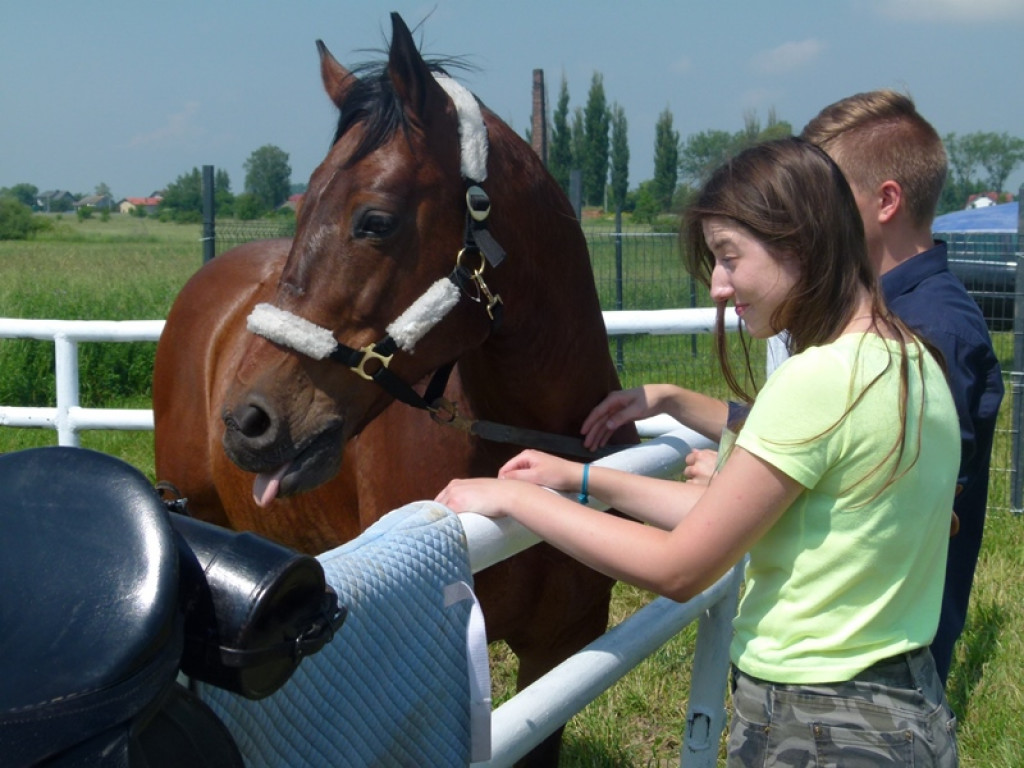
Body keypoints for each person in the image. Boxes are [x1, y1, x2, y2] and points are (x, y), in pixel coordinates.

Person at [437, 138, 961, 765]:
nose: (717, 286)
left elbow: (680, 568)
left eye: (728, 257)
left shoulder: (818, 380)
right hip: (900, 708)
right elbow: (724, 513)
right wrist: (584, 480)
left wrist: (521, 501)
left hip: (818, 722)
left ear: (798, 239)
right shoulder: (907, 359)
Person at [586, 91, 1004, 687]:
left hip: (857, 663)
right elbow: (827, 438)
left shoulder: (930, 329)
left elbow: (916, 502)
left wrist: (745, 490)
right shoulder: (886, 325)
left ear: (886, 201)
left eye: (825, 189)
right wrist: (681, 403)